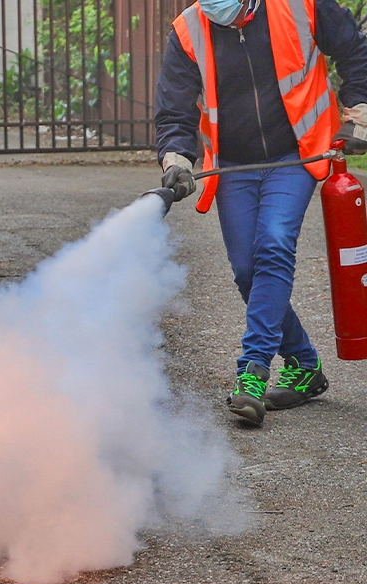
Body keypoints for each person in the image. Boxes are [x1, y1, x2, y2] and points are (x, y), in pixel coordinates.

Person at [155, 0, 367, 425]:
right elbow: (174, 109)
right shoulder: (188, 31)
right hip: (235, 165)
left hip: (298, 153)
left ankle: (252, 371)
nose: (219, 12)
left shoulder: (301, 5)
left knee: (273, 244)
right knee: (246, 270)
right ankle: (305, 365)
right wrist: (176, 159)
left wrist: (359, 113)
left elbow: (354, 51)